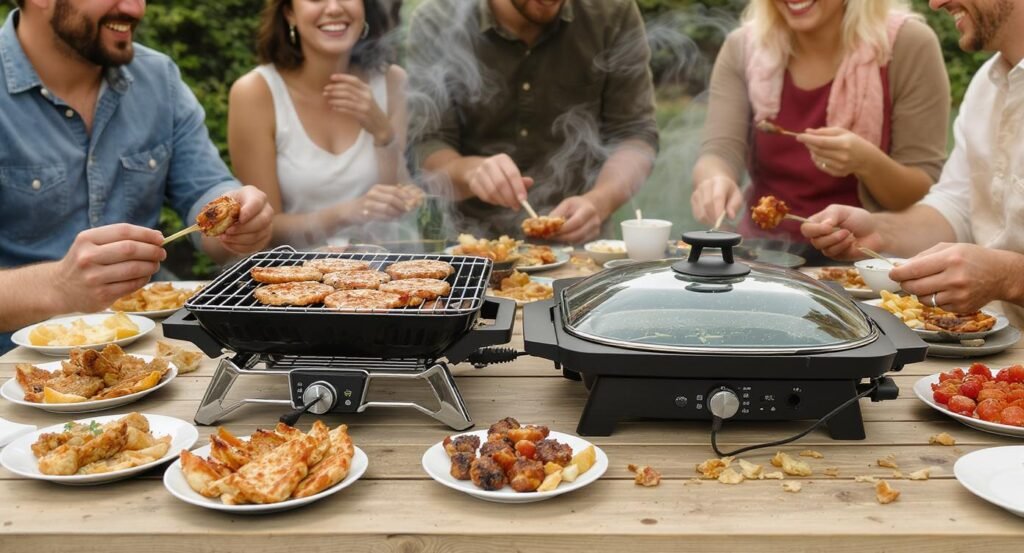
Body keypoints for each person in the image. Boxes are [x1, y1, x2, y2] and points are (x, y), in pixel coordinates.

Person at [0, 0, 274, 350]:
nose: (134, 8)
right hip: (16, 376)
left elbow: (203, 189)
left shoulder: (159, 78)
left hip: (155, 357)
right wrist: (57, 286)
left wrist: (239, 221)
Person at [802, 0, 1024, 326]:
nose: (935, 3)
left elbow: (1006, 274)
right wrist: (879, 233)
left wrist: (1010, 277)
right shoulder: (985, 86)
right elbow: (956, 208)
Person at [691, 0, 949, 260]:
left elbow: (922, 191)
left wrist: (867, 163)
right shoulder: (742, 47)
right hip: (762, 256)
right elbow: (720, 152)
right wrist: (715, 179)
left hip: (865, 264)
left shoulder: (908, 44)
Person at [406, 0, 659, 243]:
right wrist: (471, 172)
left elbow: (635, 135)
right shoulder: (438, 20)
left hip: (583, 255)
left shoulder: (612, 13)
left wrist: (599, 202)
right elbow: (427, 144)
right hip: (474, 248)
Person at [229, 0, 420, 249]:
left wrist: (382, 133)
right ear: (289, 13)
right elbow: (264, 229)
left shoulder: (393, 81)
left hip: (383, 272)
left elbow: (403, 208)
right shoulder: (255, 93)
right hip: (293, 280)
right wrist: (347, 213)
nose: (333, 8)